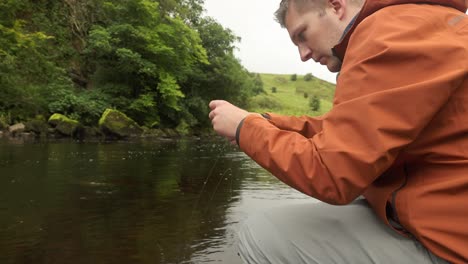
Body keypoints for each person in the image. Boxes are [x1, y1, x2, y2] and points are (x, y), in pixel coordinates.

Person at [209, 0, 468, 263]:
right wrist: (266, 121)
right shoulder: (419, 24)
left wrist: (245, 129)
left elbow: (332, 173)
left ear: (335, 6)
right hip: (444, 225)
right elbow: (345, 130)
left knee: (263, 233)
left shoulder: (386, 34)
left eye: (302, 34)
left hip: (450, 246)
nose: (303, 54)